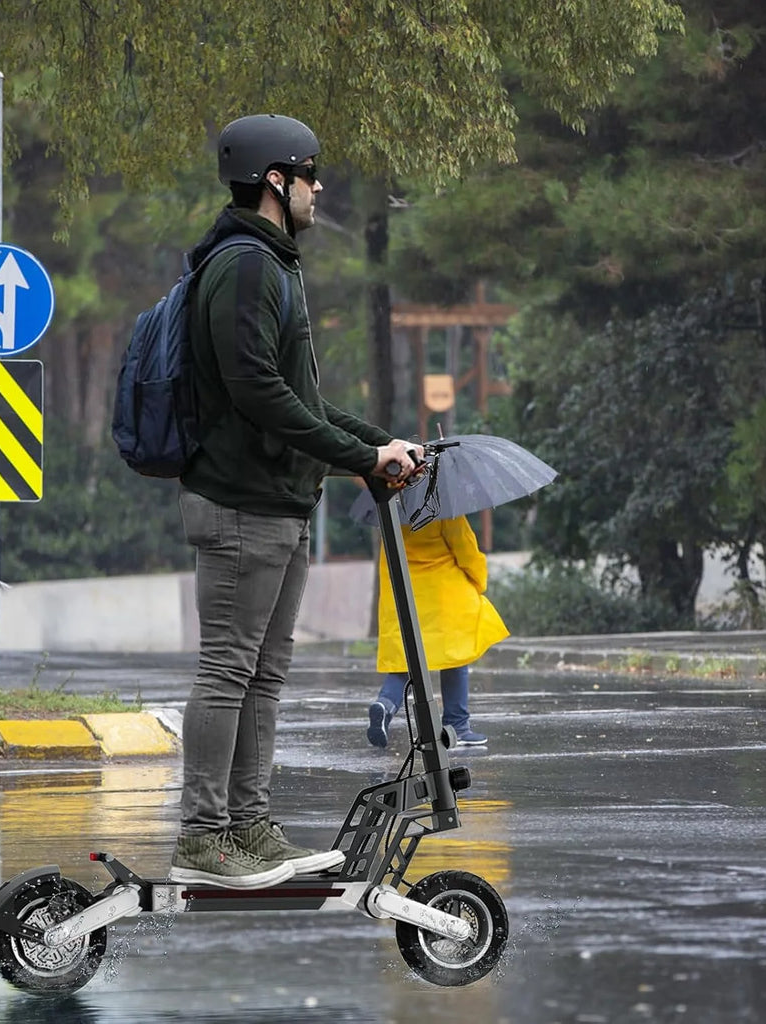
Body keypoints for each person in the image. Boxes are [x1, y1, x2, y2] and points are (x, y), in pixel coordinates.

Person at [171, 114, 425, 889]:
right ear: (276, 181)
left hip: (279, 505)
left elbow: (303, 400)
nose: (321, 188)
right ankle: (204, 835)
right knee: (227, 673)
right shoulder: (246, 266)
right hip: (242, 504)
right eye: (311, 174)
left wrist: (376, 446)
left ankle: (248, 826)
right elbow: (257, 391)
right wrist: (356, 456)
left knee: (262, 676)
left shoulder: (272, 266)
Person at [367, 514, 509, 749]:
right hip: (444, 597)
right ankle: (457, 726)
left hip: (406, 598)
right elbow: (466, 550)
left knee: (407, 662)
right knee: (456, 656)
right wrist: (480, 581)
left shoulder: (392, 509)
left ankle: (385, 705)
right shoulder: (442, 508)